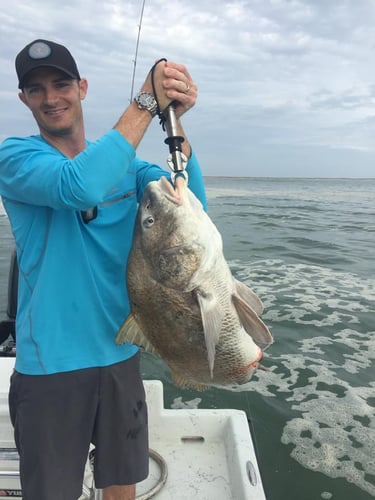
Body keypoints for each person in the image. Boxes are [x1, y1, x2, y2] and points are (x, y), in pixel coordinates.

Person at [0, 39, 207, 500]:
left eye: (61, 84)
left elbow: (192, 209)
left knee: (121, 482)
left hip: (120, 354)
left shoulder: (128, 167)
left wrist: (177, 128)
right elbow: (80, 186)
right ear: (23, 100)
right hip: (51, 365)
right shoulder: (15, 158)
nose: (51, 98)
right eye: (36, 90)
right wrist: (145, 102)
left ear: (83, 88)